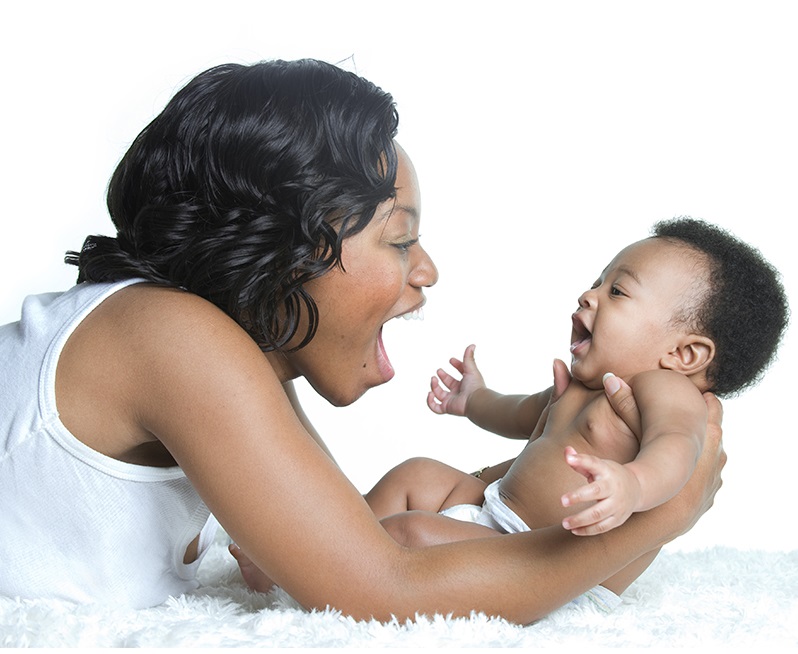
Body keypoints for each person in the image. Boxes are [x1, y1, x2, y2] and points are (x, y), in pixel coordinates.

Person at [0, 58, 725, 624]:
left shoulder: (227, 352)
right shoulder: (172, 337)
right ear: (284, 249)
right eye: (400, 239)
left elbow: (344, 540)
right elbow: (382, 588)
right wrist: (663, 513)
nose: (429, 270)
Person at [361, 218, 787, 595]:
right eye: (597, 281)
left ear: (685, 355)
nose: (588, 294)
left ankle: (353, 566)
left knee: (409, 533)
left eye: (617, 291)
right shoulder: (587, 385)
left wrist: (634, 484)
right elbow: (520, 413)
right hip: (496, 519)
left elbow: (678, 447)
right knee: (416, 473)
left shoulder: (666, 391)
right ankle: (337, 537)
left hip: (559, 565)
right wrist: (474, 400)